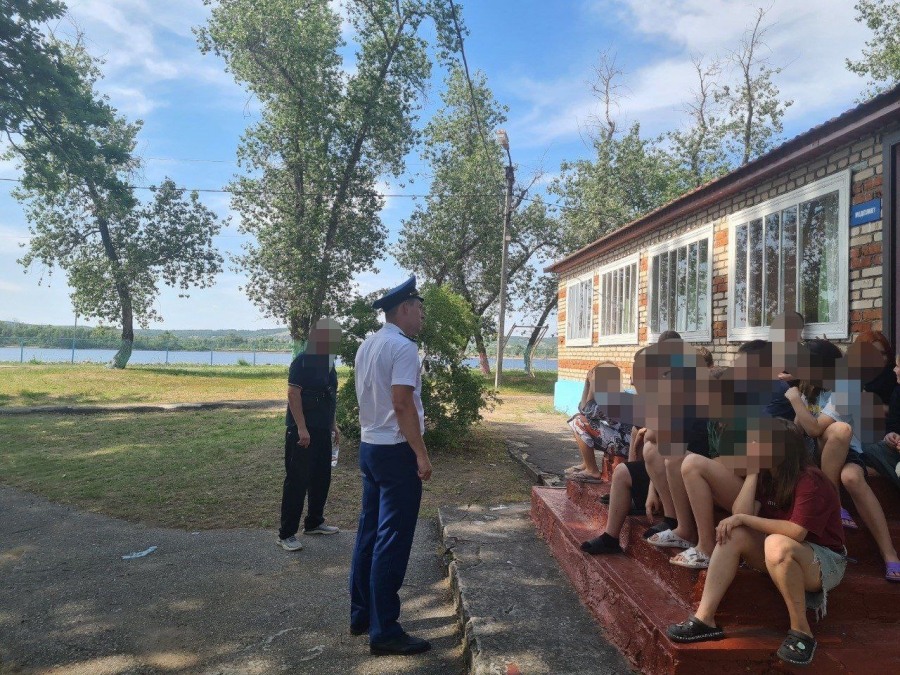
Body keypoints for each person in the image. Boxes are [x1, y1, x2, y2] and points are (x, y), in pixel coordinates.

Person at [666, 419, 846, 668]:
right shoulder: (767, 474)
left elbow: (796, 532)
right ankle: (705, 619)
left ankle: (802, 631)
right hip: (784, 551)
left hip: (824, 559)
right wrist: (752, 472)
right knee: (734, 533)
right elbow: (740, 514)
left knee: (776, 543)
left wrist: (743, 518)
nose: (751, 445)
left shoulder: (811, 480)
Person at [349, 276, 434, 655]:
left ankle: (363, 616)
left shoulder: (368, 344)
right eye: (419, 309)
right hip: (396, 452)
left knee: (369, 532)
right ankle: (384, 631)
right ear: (404, 308)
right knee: (392, 539)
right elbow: (402, 404)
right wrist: (421, 454)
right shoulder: (403, 347)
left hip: (370, 446)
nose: (422, 316)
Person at [785, 339, 900, 583]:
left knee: (851, 473)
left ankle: (889, 554)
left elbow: (815, 428)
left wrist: (794, 399)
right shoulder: (810, 388)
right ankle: (835, 501)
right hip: (814, 454)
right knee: (839, 431)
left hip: (846, 452)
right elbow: (800, 430)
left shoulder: (847, 388)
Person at [276, 317, 342, 552]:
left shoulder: (328, 363)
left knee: (321, 478)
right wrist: (302, 429)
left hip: (322, 429)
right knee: (297, 481)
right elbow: (293, 395)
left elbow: (330, 396)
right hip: (302, 431)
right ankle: (286, 534)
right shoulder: (302, 360)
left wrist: (333, 425)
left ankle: (314, 522)